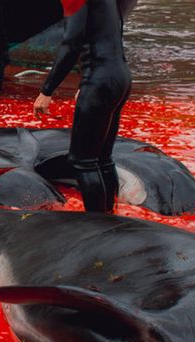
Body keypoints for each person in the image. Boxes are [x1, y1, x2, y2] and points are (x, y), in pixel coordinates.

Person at [33, 0, 135, 213]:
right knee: (103, 159)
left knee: (83, 161)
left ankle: (97, 228)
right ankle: (110, 218)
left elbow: (71, 42)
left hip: (100, 77)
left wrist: (47, 90)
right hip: (120, 75)